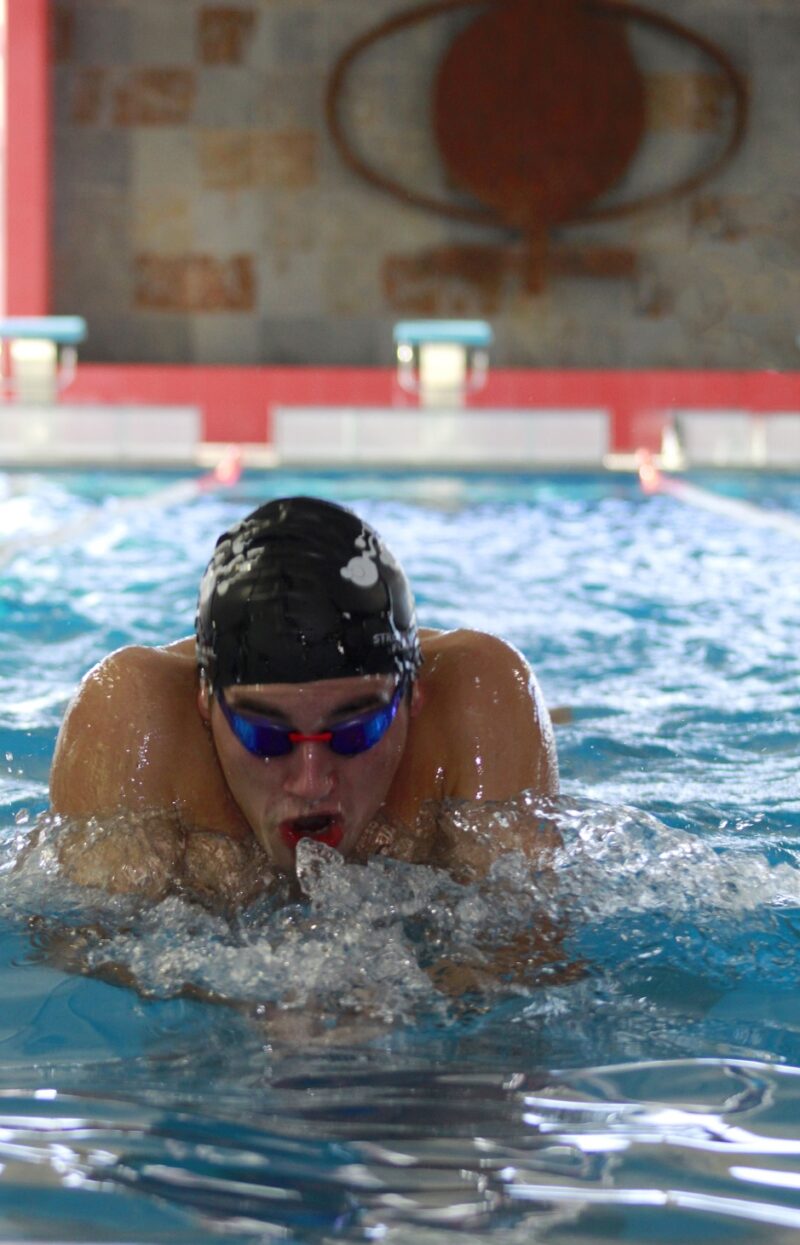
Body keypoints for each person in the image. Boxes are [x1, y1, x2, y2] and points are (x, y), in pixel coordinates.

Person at [49, 496, 559, 907]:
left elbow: (513, 971)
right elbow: (96, 960)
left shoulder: (479, 703)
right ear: (205, 705)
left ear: (412, 698)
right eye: (265, 736)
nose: (312, 780)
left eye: (355, 731)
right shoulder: (138, 721)